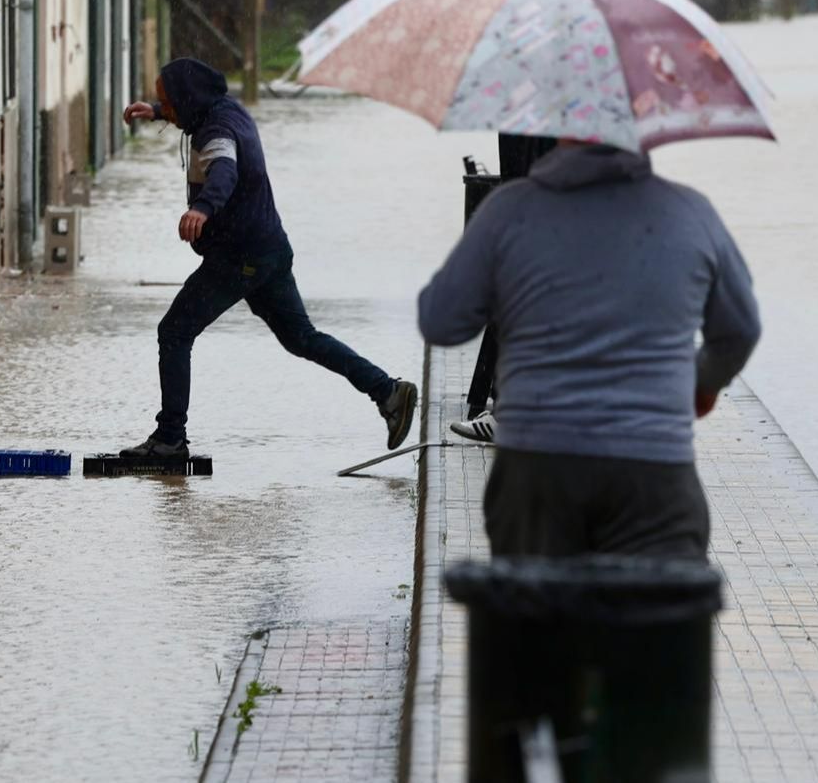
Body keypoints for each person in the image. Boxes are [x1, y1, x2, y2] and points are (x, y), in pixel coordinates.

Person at [418, 142, 761, 559]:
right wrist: (701, 386)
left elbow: (440, 319)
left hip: (536, 477)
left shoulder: (509, 210)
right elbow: (739, 331)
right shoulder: (690, 212)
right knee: (661, 614)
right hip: (655, 477)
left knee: (531, 614)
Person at [118, 58, 418, 459]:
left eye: (167, 103)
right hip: (270, 249)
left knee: (174, 332)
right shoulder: (228, 110)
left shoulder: (217, 133)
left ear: (188, 101)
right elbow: (204, 132)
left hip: (239, 257)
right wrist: (154, 112)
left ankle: (171, 438)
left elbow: (225, 169)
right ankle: (388, 391)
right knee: (302, 339)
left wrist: (202, 208)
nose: (165, 110)